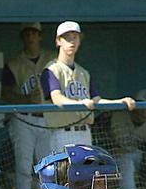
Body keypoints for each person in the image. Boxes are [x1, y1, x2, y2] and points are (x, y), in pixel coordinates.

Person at [41, 21, 136, 152]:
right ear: (58, 41)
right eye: (67, 38)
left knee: (88, 166)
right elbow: (57, 99)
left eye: (75, 37)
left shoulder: (83, 73)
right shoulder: (51, 70)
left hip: (85, 132)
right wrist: (81, 103)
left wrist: (120, 102)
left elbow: (96, 100)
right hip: (62, 132)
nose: (72, 41)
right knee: (65, 166)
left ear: (80, 41)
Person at [1, 22, 57, 189]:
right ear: (22, 38)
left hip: (47, 118)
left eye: (34, 33)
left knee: (47, 166)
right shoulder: (14, 63)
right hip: (23, 119)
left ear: (40, 36)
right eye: (27, 34)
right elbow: (5, 93)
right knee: (23, 166)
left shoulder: (53, 59)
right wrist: (26, 99)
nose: (30, 37)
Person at [109, 89, 146, 189]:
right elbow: (122, 142)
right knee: (127, 162)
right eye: (143, 108)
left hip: (140, 156)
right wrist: (144, 130)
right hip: (111, 156)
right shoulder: (120, 115)